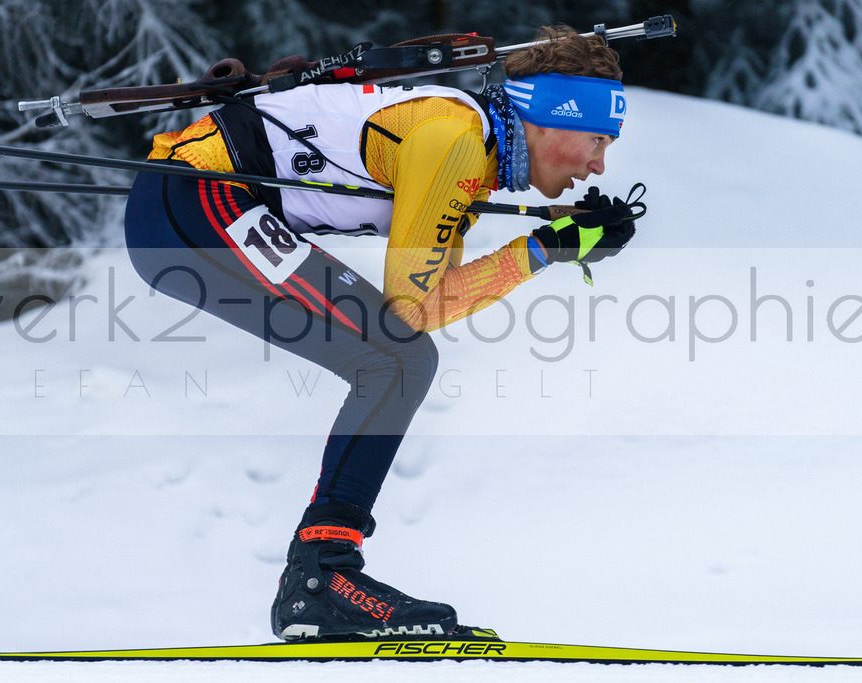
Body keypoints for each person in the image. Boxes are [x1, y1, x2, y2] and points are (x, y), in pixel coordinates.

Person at [123, 25, 641, 640]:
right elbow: (414, 309)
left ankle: (322, 576)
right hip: (194, 203)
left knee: (398, 359)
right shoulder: (455, 140)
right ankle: (321, 579)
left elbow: (424, 305)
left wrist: (549, 246)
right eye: (597, 139)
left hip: (194, 207)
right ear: (551, 121)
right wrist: (539, 251)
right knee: (397, 360)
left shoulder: (468, 147)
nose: (600, 164)